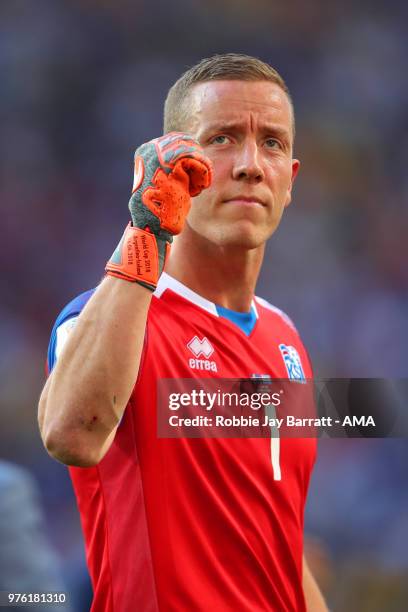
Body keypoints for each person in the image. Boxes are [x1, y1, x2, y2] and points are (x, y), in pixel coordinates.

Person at [38, 53, 327, 611]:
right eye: (221, 139)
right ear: (173, 164)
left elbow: (281, 545)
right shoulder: (101, 319)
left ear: (289, 180)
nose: (250, 165)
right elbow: (71, 436)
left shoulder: (287, 336)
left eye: (271, 142)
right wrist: (145, 230)